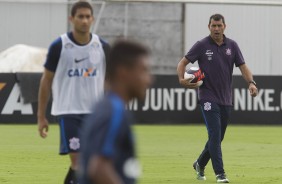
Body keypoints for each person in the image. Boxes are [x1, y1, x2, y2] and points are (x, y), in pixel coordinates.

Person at [177, 14, 258, 183]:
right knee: (214, 135)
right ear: (209, 27)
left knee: (217, 137)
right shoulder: (201, 45)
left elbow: (243, 67)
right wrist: (181, 79)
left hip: (226, 99)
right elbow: (182, 63)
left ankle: (199, 163)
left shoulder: (232, 46)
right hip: (207, 96)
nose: (216, 29)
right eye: (213, 26)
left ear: (224, 27)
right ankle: (220, 174)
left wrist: (251, 82)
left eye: (219, 26)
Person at [37, 1, 109, 183]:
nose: (84, 21)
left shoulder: (102, 46)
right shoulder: (59, 46)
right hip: (68, 112)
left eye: (87, 17)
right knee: (78, 162)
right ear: (71, 19)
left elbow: (113, 81)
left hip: (95, 113)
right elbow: (46, 80)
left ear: (92, 19)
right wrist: (41, 116)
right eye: (80, 16)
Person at [79, 40, 152, 184]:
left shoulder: (107, 107)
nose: (149, 79)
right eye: (144, 70)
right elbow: (98, 168)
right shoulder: (114, 111)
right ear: (123, 72)